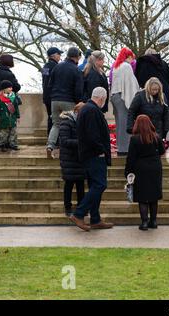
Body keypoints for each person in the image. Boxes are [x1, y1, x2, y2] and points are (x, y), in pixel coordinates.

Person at [69, 87, 113, 231]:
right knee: (100, 185)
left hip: (89, 154)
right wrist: (101, 150)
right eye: (104, 100)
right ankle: (79, 213)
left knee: (96, 185)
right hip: (94, 155)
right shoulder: (92, 110)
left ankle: (95, 218)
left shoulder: (87, 109)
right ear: (101, 98)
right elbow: (93, 135)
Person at [125, 115, 166, 230]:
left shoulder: (134, 139)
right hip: (155, 168)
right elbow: (162, 151)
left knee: (142, 197)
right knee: (154, 196)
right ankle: (153, 222)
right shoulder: (156, 137)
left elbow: (131, 158)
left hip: (140, 169)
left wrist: (128, 171)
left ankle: (144, 222)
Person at [46, 47, 84, 156]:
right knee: (72, 124)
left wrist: (52, 97)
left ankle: (50, 145)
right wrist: (78, 101)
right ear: (77, 57)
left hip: (55, 100)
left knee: (56, 124)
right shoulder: (76, 70)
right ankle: (69, 149)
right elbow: (78, 89)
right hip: (68, 100)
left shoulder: (57, 67)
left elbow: (50, 84)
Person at [111, 48, 140, 156]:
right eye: (132, 58)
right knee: (125, 124)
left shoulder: (116, 66)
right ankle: (125, 149)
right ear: (128, 56)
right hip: (122, 97)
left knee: (119, 123)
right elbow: (131, 84)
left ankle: (121, 146)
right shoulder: (126, 66)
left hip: (115, 96)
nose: (132, 60)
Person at [59, 103, 85, 216]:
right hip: (69, 158)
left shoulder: (81, 122)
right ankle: (68, 208)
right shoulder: (66, 122)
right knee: (69, 184)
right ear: (77, 112)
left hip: (79, 158)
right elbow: (64, 141)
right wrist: (82, 143)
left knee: (80, 185)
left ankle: (81, 207)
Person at [42, 47, 63, 135]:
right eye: (59, 54)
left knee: (50, 117)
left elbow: (44, 81)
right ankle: (55, 138)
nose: (60, 56)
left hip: (46, 96)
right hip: (54, 96)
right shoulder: (56, 67)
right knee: (56, 119)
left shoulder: (45, 66)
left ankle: (49, 136)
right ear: (53, 55)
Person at [0, 80, 20, 152]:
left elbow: (16, 107)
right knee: (3, 133)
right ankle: (3, 145)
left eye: (11, 87)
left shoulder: (13, 97)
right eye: (9, 87)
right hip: (3, 118)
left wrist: (18, 116)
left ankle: (13, 144)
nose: (11, 89)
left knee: (13, 132)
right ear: (4, 89)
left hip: (12, 118)